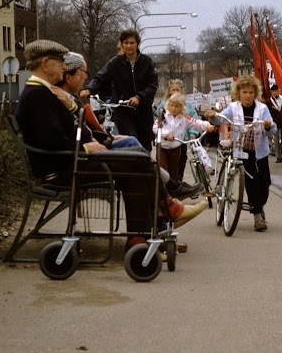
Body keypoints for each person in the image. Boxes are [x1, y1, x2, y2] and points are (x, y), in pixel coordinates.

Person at [15, 40, 206, 250]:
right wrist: (87, 147)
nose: (63, 65)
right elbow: (50, 140)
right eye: (60, 61)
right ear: (45, 63)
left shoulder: (40, 93)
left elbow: (59, 132)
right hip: (65, 168)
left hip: (70, 163)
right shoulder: (37, 95)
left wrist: (75, 115)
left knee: (138, 159)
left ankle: (146, 232)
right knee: (138, 164)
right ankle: (158, 220)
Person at [54, 52, 200, 199]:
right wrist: (88, 145)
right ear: (68, 77)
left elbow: (82, 130)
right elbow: (60, 137)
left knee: (136, 150)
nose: (85, 77)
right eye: (83, 72)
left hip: (86, 153)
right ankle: (170, 196)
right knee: (136, 164)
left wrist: (107, 138)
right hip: (78, 162)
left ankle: (169, 198)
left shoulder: (69, 99)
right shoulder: (58, 99)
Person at [213, 75, 276, 232]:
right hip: (241, 150)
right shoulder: (233, 108)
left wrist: (268, 126)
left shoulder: (262, 109)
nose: (247, 95)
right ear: (238, 93)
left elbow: (272, 130)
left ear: (255, 93)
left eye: (250, 92)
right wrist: (212, 116)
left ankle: (259, 206)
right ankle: (257, 214)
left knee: (265, 182)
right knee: (251, 182)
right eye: (244, 92)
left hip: (260, 151)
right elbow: (220, 120)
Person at [80, 29, 158, 151]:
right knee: (131, 140)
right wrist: (89, 89)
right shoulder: (115, 63)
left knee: (145, 144)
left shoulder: (147, 62)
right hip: (123, 109)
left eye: (132, 43)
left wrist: (139, 97)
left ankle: (145, 167)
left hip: (143, 109)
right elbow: (101, 77)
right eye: (125, 43)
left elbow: (152, 86)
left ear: (137, 44)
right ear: (122, 44)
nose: (128, 46)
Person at [153, 93, 215, 179]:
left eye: (176, 106)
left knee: (174, 172)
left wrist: (207, 125)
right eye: (171, 105)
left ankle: (173, 191)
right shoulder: (163, 115)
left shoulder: (184, 118)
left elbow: (196, 122)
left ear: (182, 108)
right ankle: (163, 191)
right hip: (162, 147)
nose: (173, 108)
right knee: (162, 171)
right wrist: (166, 134)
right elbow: (155, 127)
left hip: (176, 148)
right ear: (168, 105)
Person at [267, 84, 282, 163]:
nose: (275, 93)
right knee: (276, 139)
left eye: (276, 91)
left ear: (279, 91)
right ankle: (278, 156)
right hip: (274, 122)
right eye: (273, 91)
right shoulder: (269, 102)